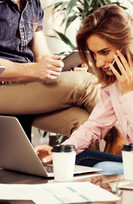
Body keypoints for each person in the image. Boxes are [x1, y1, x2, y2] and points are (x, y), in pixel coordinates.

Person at [35, 5, 133, 180]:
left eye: (104, 52)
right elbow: (94, 126)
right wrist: (60, 151)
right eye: (94, 54)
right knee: (79, 158)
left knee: (103, 168)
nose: (99, 62)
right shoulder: (114, 84)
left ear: (128, 45)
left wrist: (128, 92)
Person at [0, 0, 100, 141]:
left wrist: (61, 66)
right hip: (3, 86)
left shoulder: (32, 3)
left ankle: (106, 159)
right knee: (86, 83)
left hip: (26, 85)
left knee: (85, 124)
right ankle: (128, 137)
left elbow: (42, 55)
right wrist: (34, 69)